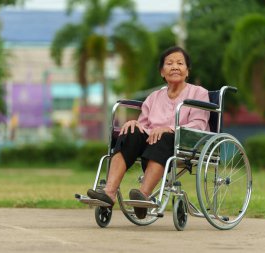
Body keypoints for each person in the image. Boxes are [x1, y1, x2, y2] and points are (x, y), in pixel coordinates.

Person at [87, 46, 210, 219]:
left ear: (187, 71)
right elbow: (144, 126)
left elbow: (199, 125)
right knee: (130, 131)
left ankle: (143, 195)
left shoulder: (199, 93)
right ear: (162, 72)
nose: (175, 66)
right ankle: (109, 192)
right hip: (150, 140)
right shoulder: (154, 97)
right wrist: (134, 123)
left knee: (165, 137)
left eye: (180, 63)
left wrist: (170, 129)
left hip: (181, 141)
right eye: (169, 63)